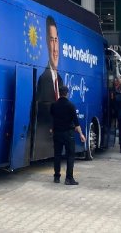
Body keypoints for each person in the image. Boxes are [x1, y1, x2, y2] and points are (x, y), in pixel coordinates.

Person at [34, 16, 65, 159]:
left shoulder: (59, 79)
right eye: (51, 40)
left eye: (56, 40)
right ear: (46, 44)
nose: (55, 48)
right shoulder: (43, 79)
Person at [50, 85, 86, 185]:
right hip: (68, 134)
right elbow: (76, 122)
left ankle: (56, 177)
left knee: (57, 155)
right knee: (70, 155)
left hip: (57, 133)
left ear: (59, 93)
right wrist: (81, 134)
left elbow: (52, 118)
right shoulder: (71, 105)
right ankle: (69, 178)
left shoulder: (54, 105)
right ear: (67, 93)